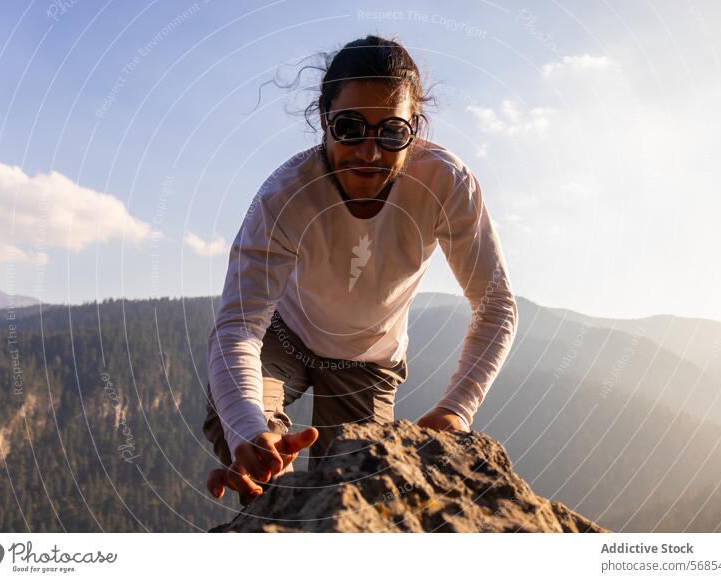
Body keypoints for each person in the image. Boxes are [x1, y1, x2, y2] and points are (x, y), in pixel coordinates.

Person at [203, 35, 518, 504]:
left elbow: (496, 306)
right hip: (284, 336)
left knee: (350, 486)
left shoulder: (446, 184)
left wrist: (456, 410)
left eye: (392, 132)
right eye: (350, 127)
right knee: (239, 423)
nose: (369, 153)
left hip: (369, 362)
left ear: (416, 127)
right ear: (324, 119)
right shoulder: (284, 197)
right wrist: (248, 433)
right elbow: (238, 329)